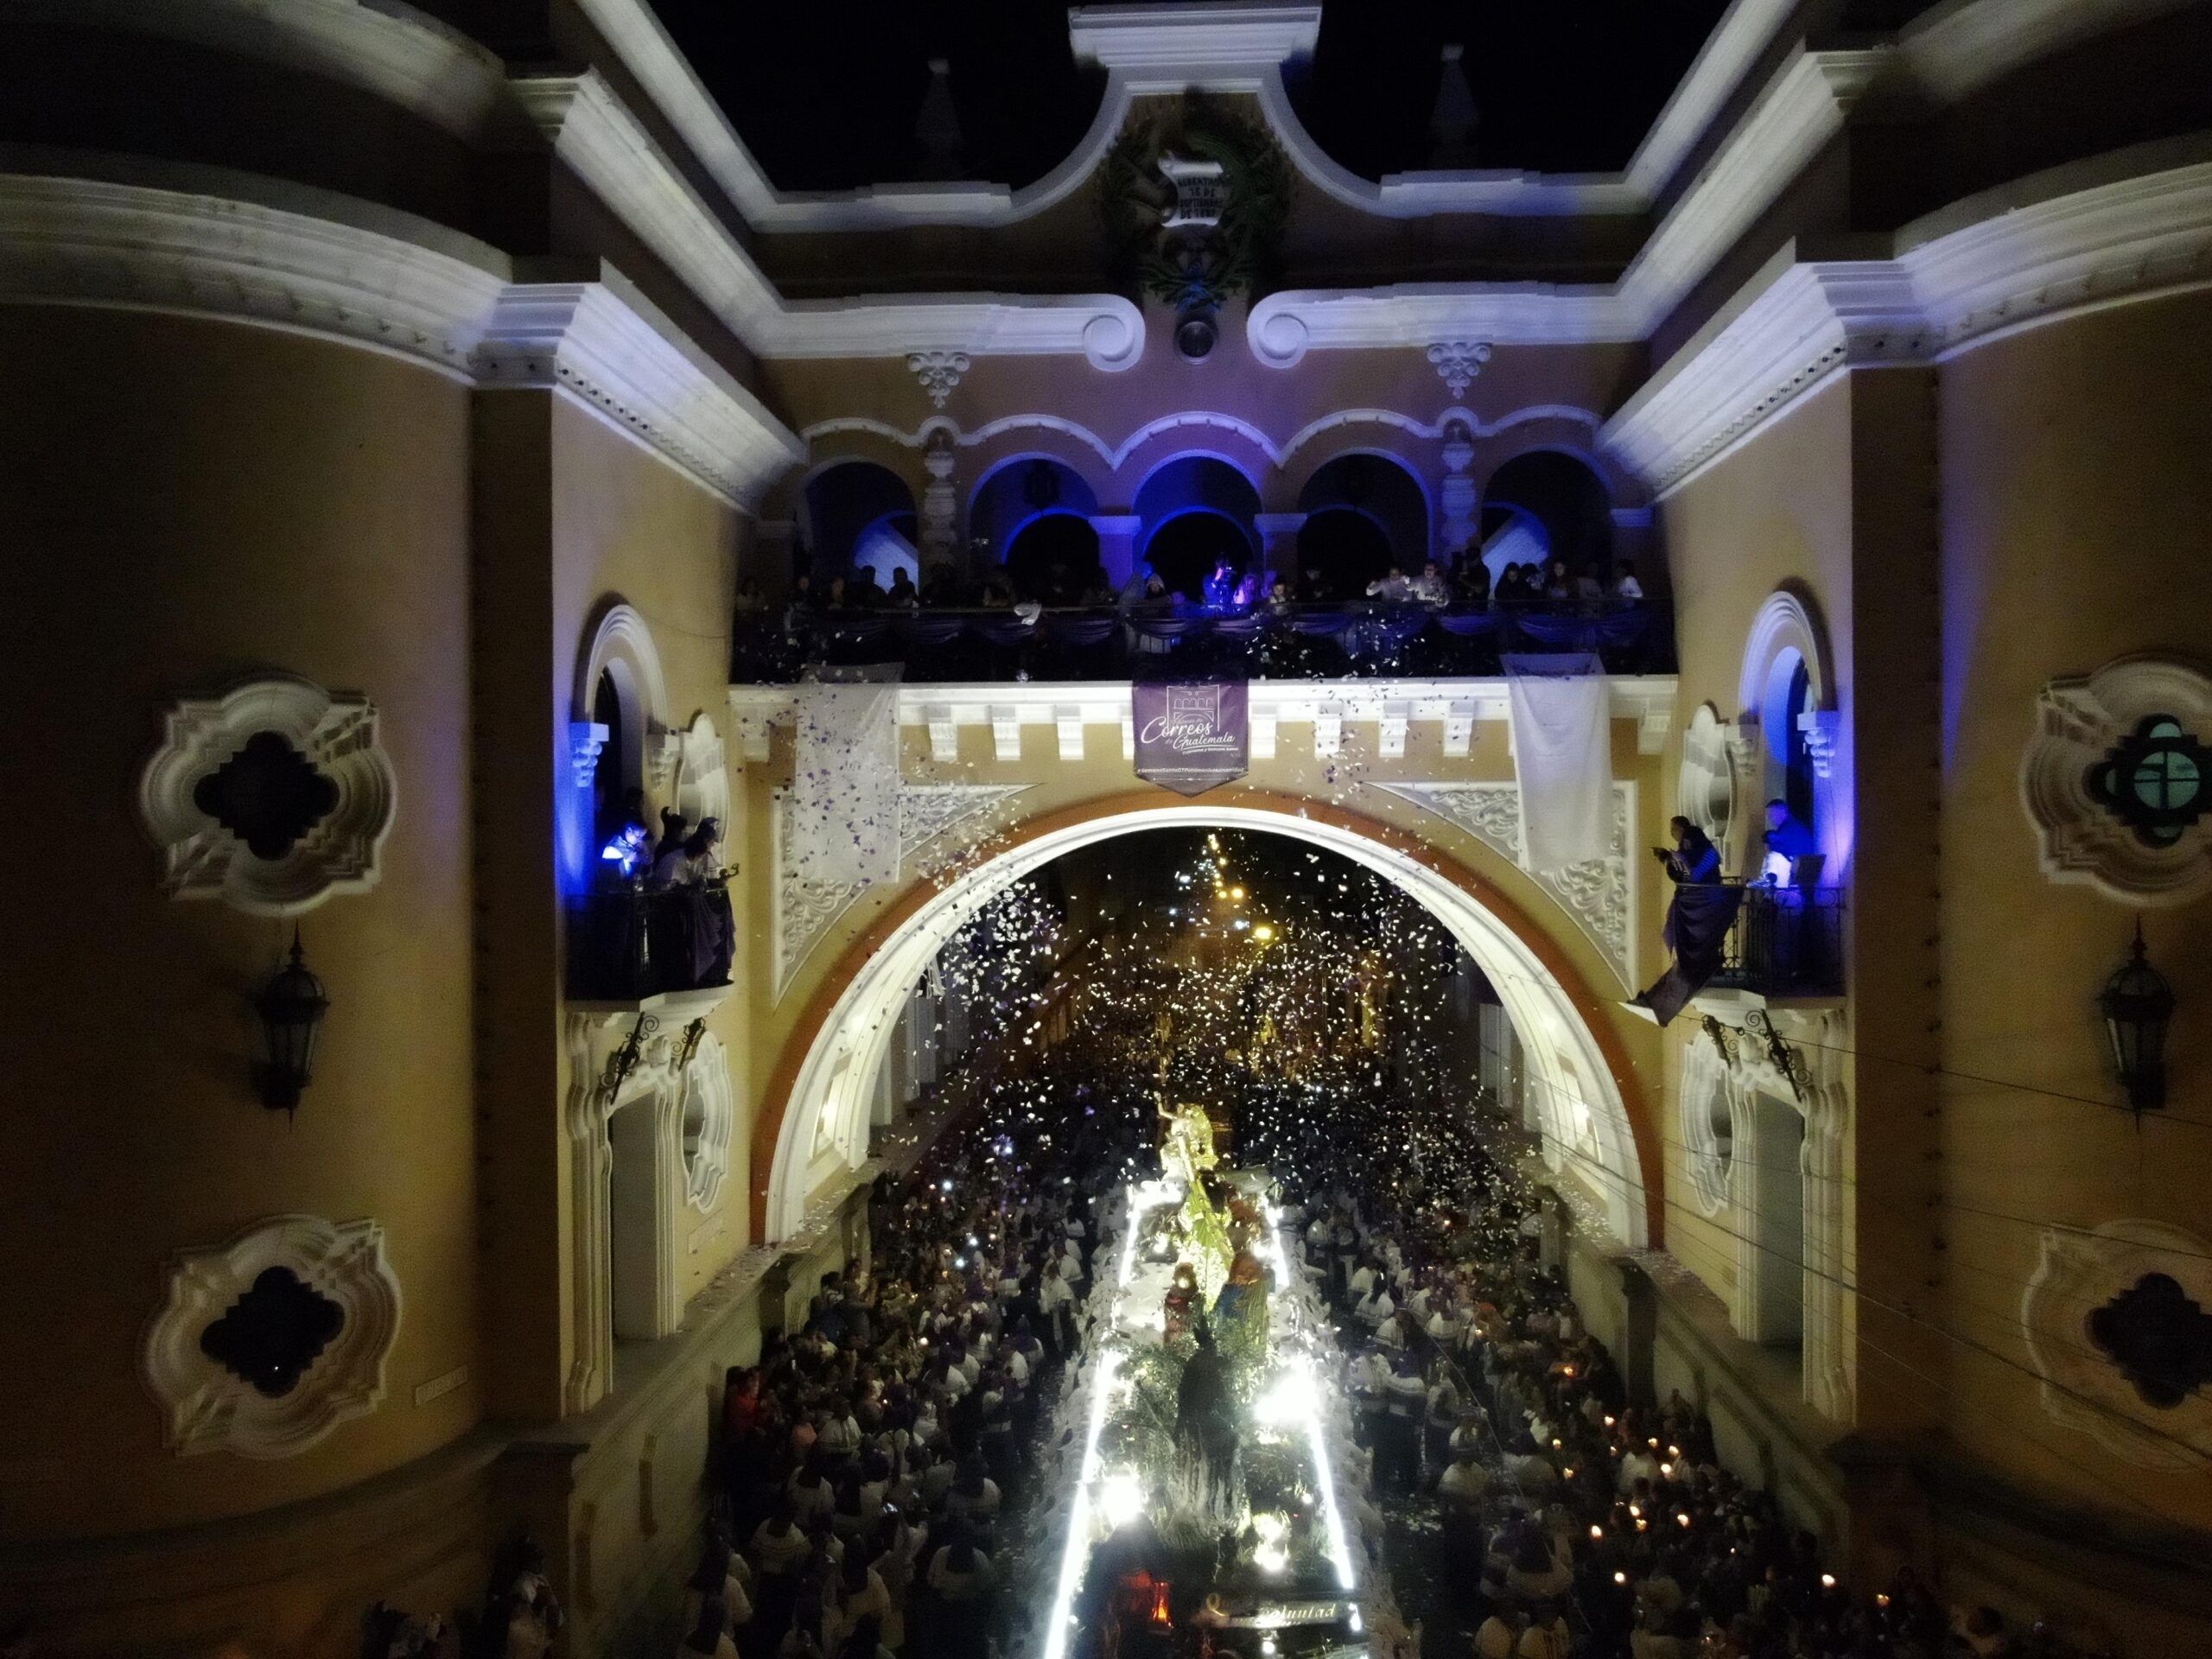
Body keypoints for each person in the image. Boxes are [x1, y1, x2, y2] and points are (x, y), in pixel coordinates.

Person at [1629, 817, 1742, 1026]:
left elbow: (1705, 861)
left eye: (1674, 829)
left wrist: (1687, 867)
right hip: (1696, 898)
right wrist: (1668, 859)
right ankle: (1654, 999)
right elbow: (1684, 871)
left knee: (1689, 943)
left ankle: (1656, 999)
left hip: (1701, 899)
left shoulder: (1692, 837)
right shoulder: (1687, 843)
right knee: (1688, 944)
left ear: (1683, 828)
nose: (1672, 833)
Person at [1760, 798, 1819, 887]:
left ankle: (1766, 879)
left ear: (1782, 811)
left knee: (1774, 855)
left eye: (1772, 814)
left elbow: (1789, 848)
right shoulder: (1791, 826)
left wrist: (1771, 846)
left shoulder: (1790, 828)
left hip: (1797, 869)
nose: (1770, 818)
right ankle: (1767, 882)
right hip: (1798, 869)